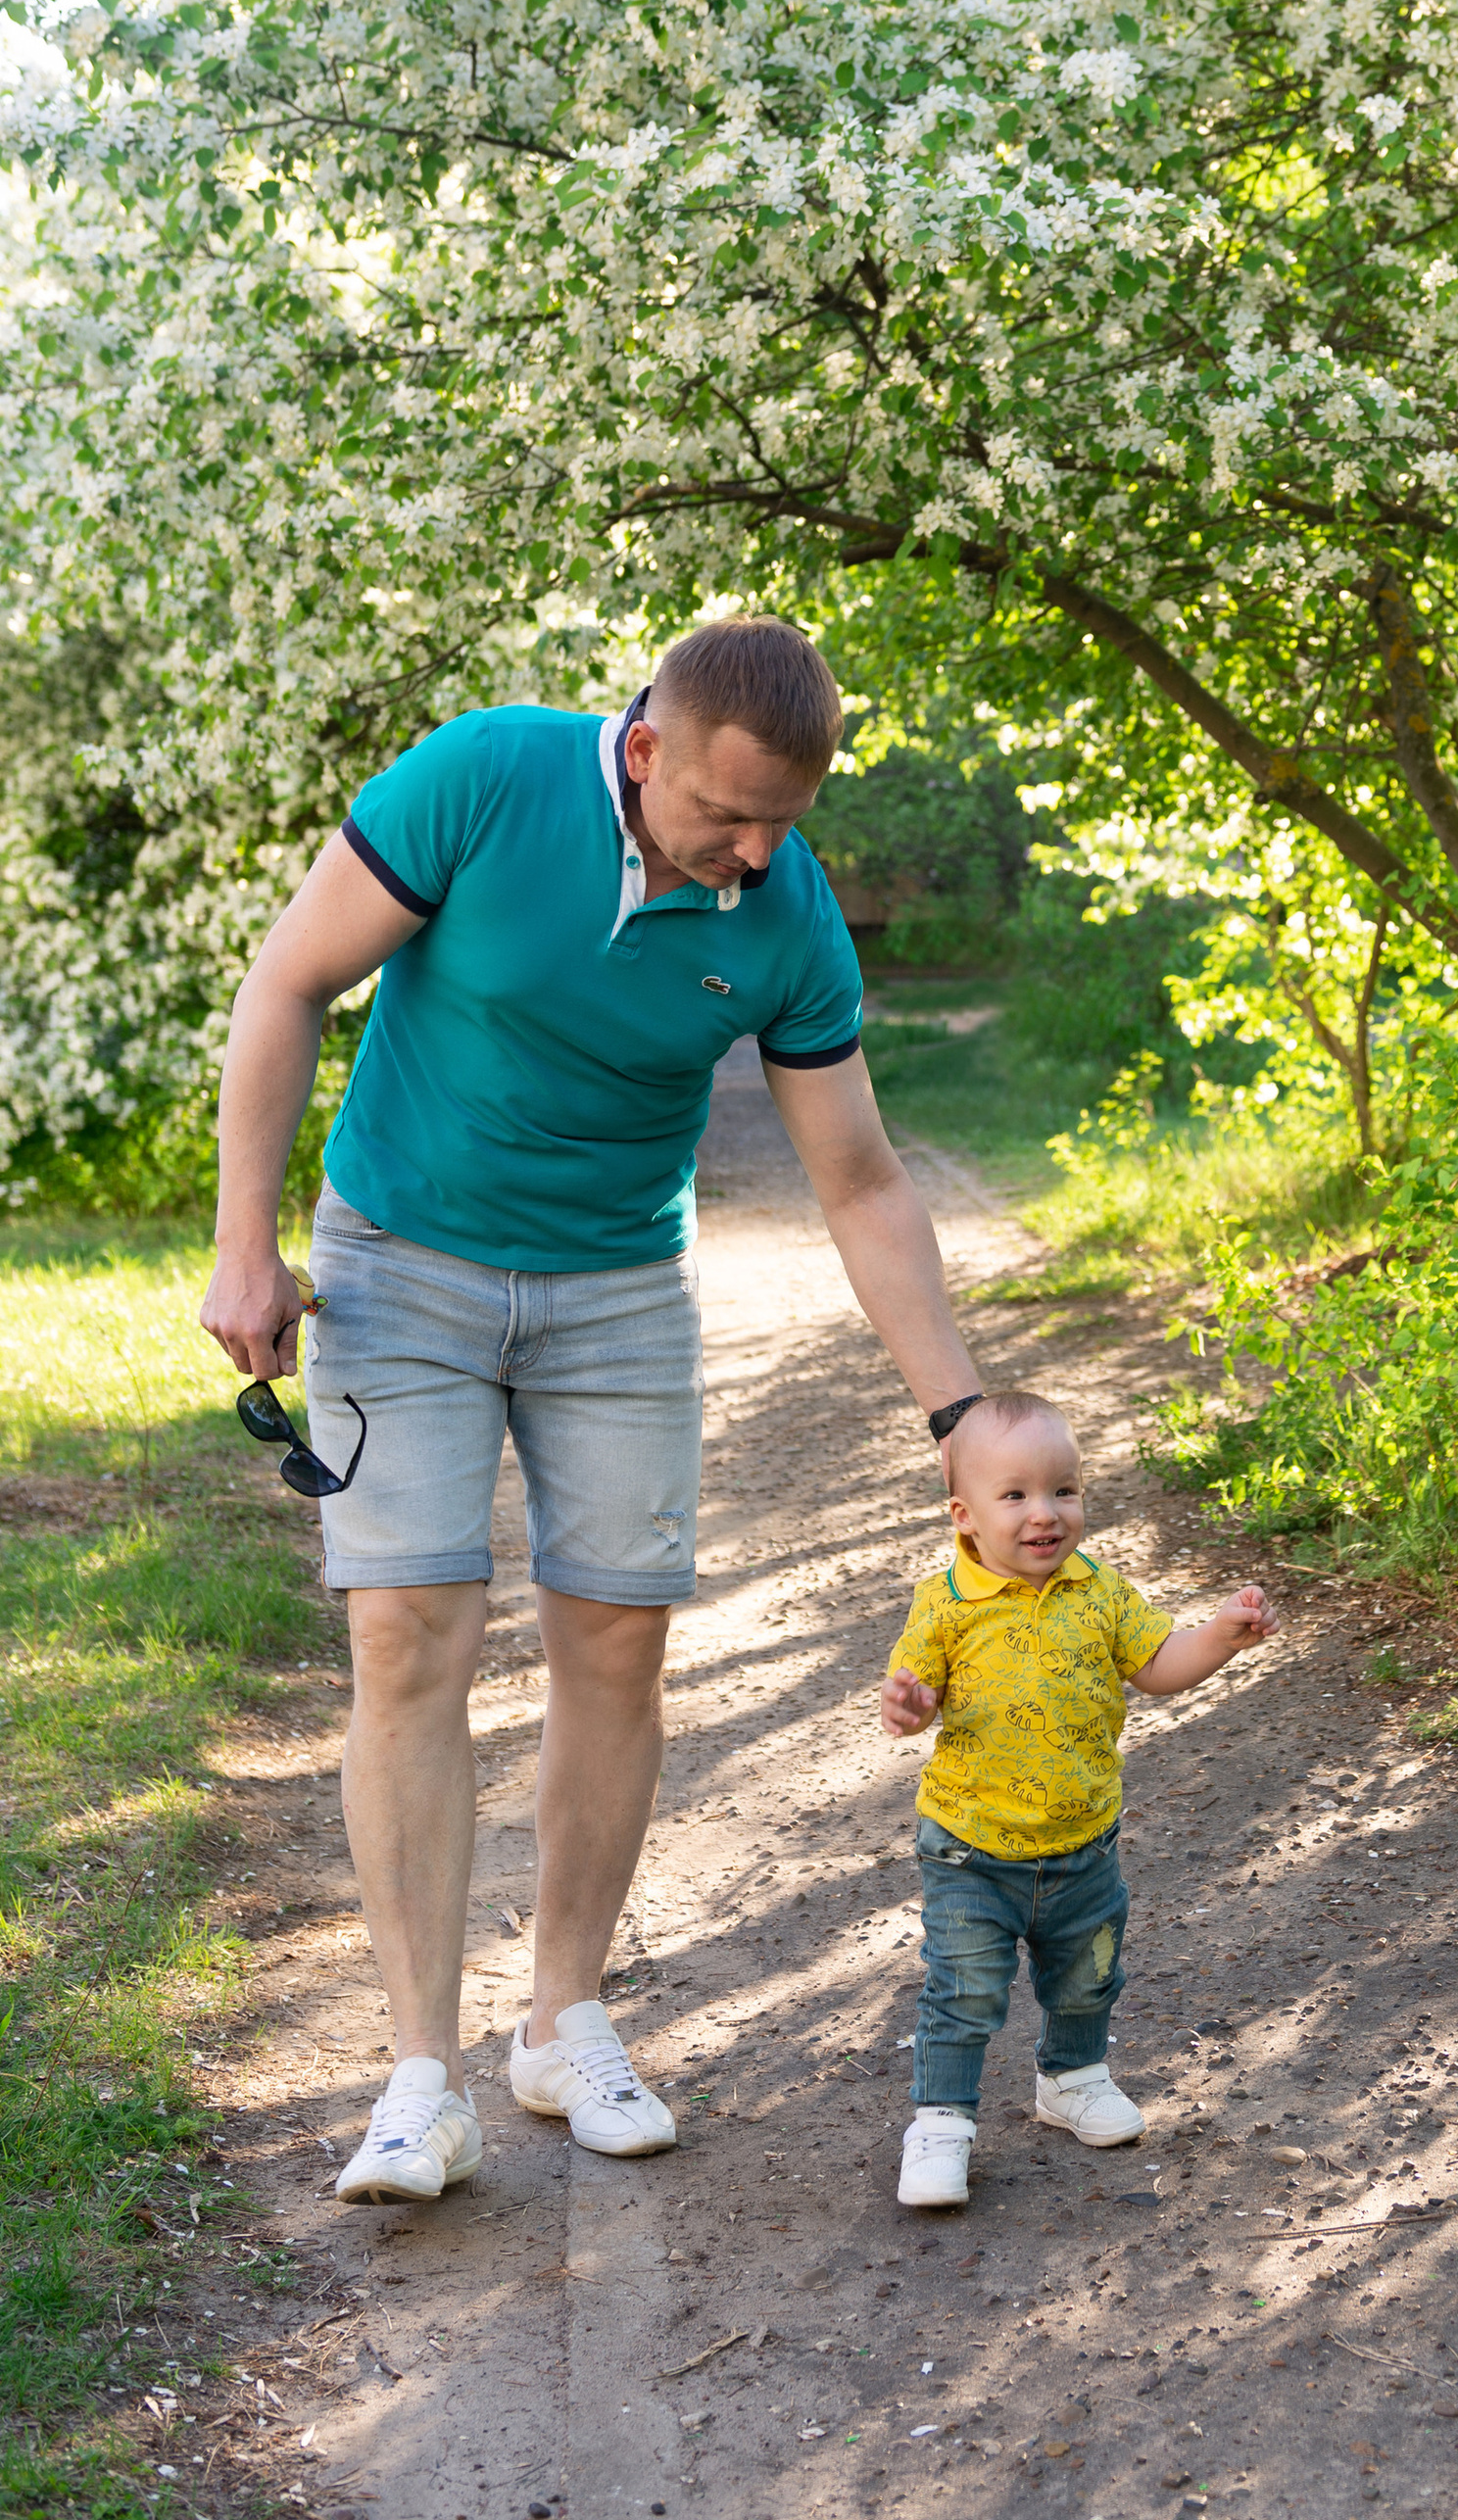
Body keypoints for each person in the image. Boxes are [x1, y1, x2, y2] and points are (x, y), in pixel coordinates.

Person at [201, 618, 984, 2206]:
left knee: (617, 1635)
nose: (754, 851)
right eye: (729, 814)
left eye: (785, 824)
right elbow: (287, 982)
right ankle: (421, 2075)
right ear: (644, 749)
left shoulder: (787, 908)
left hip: (619, 1287)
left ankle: (564, 2019)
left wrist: (959, 1409)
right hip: (399, 1257)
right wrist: (243, 1237)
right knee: (407, 1625)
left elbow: (861, 1180)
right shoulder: (486, 777)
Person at [877, 1388, 1278, 2210]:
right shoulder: (946, 1603)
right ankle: (941, 2123)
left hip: (1082, 1844)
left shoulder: (1099, 1590)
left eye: (1064, 1490)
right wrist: (910, 1706)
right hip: (969, 1848)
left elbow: (1159, 1663)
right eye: (1015, 1494)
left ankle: (1073, 2079)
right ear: (964, 1514)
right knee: (964, 1989)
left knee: (1088, 1977)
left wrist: (1219, 1636)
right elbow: (912, 1692)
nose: (1045, 1513)